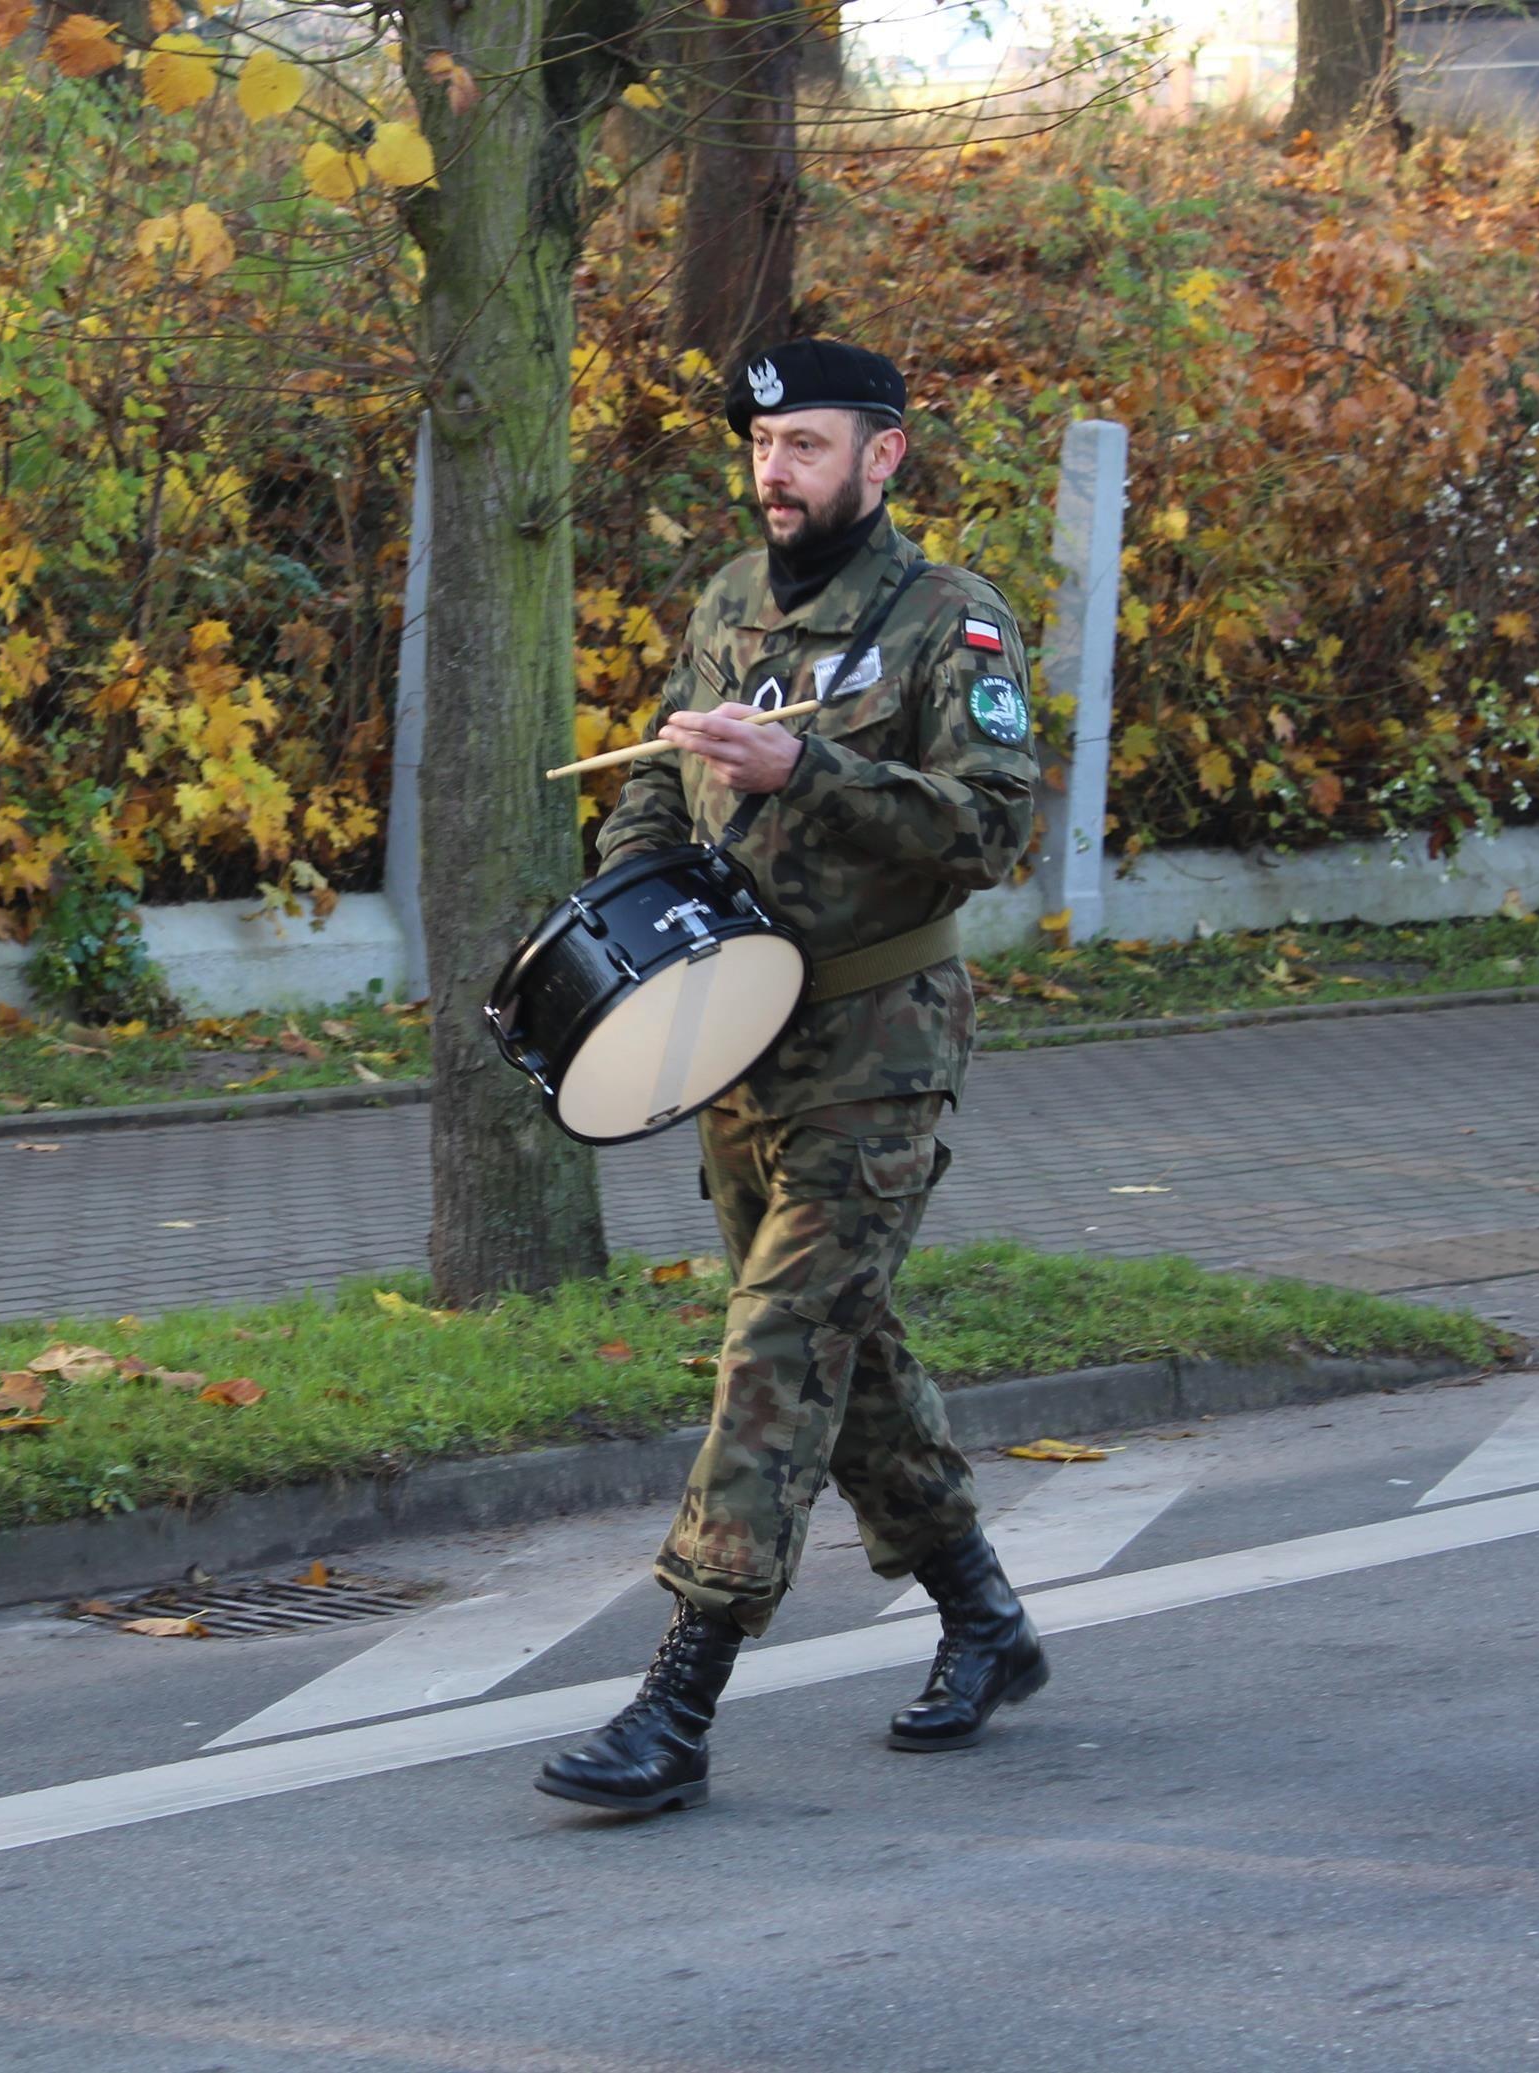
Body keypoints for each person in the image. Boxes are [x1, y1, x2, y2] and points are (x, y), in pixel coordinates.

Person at [534, 339, 1047, 1816]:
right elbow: (655, 779)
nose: (774, 470)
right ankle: (984, 1619)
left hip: (881, 1043)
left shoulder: (953, 623)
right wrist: (630, 905)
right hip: (733, 1040)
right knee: (845, 1341)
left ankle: (677, 1699)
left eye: (806, 445)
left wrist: (804, 773)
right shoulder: (725, 605)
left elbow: (984, 829)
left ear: (881, 458)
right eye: (762, 444)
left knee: (775, 1342)